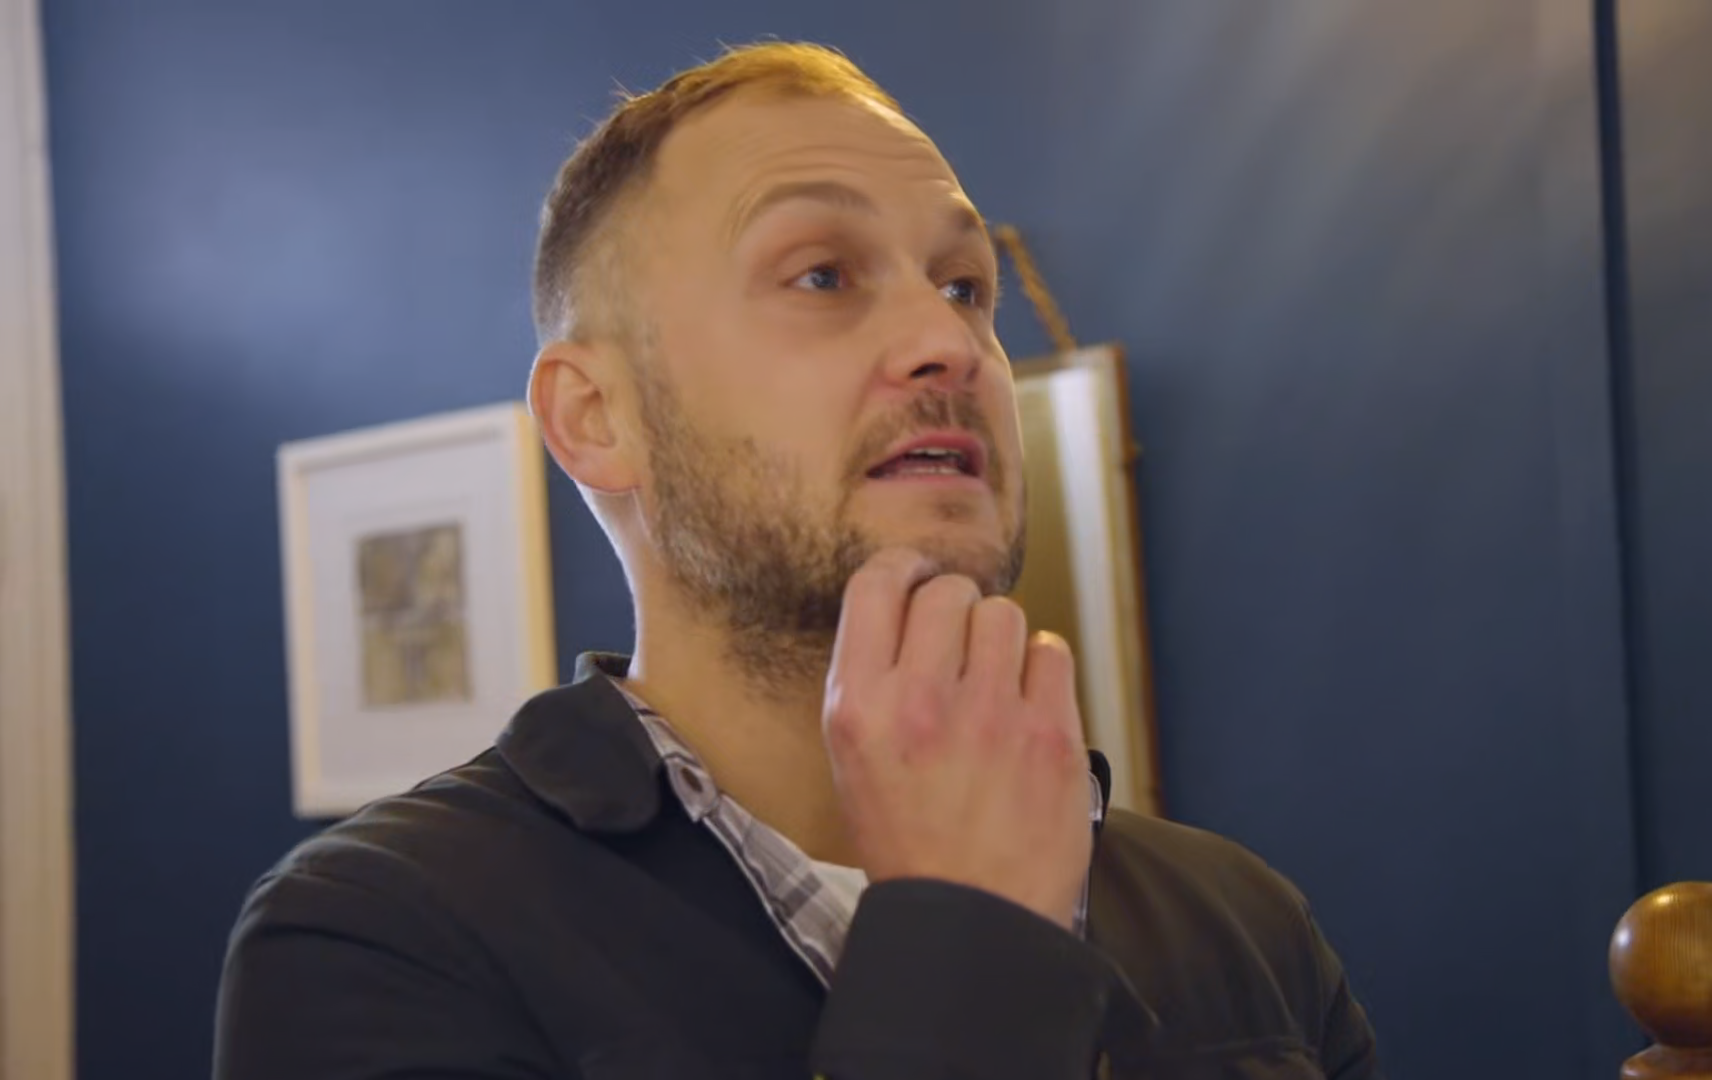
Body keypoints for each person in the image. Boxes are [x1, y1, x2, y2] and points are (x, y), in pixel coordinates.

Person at [213, 42, 1381, 1080]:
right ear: (597, 418)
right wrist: (970, 941)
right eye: (822, 274)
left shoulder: (1246, 929)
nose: (946, 342)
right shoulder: (385, 941)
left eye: (965, 287)